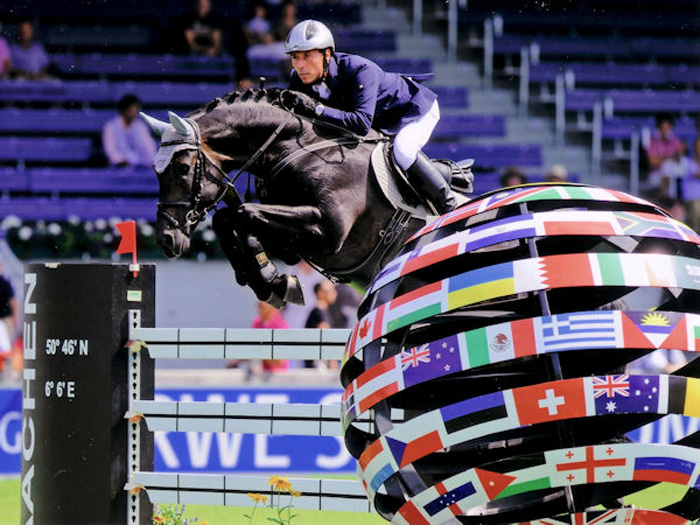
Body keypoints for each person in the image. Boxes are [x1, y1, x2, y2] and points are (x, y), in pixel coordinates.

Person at [283, 19, 469, 215]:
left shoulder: (359, 70)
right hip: (380, 121)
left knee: (403, 151)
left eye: (307, 56)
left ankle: (450, 208)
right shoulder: (298, 78)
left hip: (413, 110)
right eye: (295, 57)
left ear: (326, 54)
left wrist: (317, 109)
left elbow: (360, 124)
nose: (300, 65)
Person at [102, 94, 157, 167]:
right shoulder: (110, 127)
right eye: (132, 109)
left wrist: (151, 160)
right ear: (125, 110)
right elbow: (110, 150)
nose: (135, 111)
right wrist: (120, 160)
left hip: (140, 166)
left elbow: (149, 147)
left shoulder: (141, 126)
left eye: (137, 108)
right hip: (119, 167)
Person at [646, 113, 687, 198]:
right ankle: (666, 199)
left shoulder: (675, 141)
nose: (665, 131)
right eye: (663, 128)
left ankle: (672, 200)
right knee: (667, 168)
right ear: (659, 128)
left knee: (675, 169)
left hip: (674, 174)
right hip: (656, 174)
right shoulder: (653, 142)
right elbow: (652, 162)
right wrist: (668, 158)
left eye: (667, 128)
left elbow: (680, 157)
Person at [304, 280, 338, 369]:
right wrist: (332, 361)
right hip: (319, 364)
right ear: (320, 293)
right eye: (330, 291)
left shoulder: (321, 311)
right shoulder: (320, 312)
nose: (334, 294)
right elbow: (325, 338)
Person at [0, 259, 18, 376]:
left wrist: (14, 317)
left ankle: (10, 371)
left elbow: (13, 302)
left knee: (8, 346)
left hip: (5, 317)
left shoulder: (4, 283)